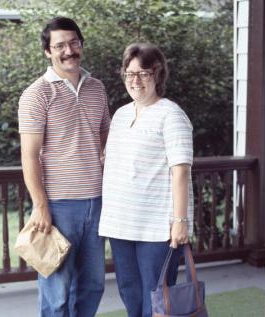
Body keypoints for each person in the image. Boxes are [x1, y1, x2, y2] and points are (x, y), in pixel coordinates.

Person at [18, 16, 111, 317]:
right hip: (58, 206)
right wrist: (40, 205)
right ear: (48, 51)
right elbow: (29, 155)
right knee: (57, 292)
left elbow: (105, 135)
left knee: (93, 285)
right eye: (59, 45)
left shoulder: (97, 88)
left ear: (81, 44)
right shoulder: (37, 94)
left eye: (73, 42)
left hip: (97, 202)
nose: (68, 50)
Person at [99, 43, 195, 317]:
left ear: (158, 74)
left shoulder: (171, 115)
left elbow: (180, 171)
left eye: (143, 73)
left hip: (156, 227)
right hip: (121, 223)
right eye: (130, 74)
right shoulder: (121, 115)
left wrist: (179, 222)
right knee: (129, 290)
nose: (135, 80)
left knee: (156, 297)